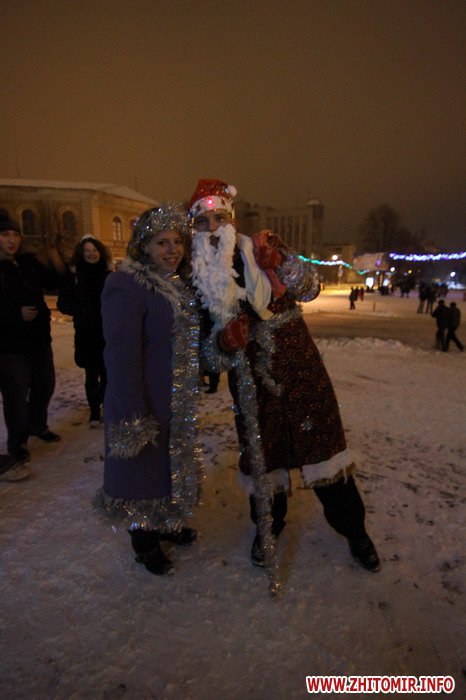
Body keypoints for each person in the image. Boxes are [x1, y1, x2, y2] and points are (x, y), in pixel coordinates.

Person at [189, 179, 380, 589]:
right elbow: (206, 358)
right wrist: (223, 342)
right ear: (195, 229)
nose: (213, 227)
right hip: (253, 385)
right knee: (265, 464)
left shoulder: (263, 246)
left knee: (326, 456)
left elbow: (310, 288)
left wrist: (285, 264)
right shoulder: (198, 282)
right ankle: (268, 530)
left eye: (220, 217)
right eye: (203, 222)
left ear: (232, 219)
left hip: (301, 372)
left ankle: (355, 531)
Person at [98, 204, 202, 576]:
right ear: (144, 245)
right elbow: (121, 354)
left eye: (178, 241)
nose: (173, 250)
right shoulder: (126, 285)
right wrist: (132, 413)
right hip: (143, 398)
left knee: (169, 467)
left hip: (174, 398)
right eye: (162, 242)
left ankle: (167, 523)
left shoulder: (177, 285)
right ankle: (144, 542)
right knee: (140, 472)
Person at [0, 214, 65, 469]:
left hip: (39, 340)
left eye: (15, 235)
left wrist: (55, 258)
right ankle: (17, 443)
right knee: (17, 397)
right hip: (10, 347)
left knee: (45, 386)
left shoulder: (27, 261)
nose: (12, 240)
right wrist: (16, 314)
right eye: (5, 235)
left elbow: (55, 283)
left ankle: (38, 425)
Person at [57, 236, 112, 426]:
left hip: (107, 333)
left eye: (94, 250)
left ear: (100, 253)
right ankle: (94, 412)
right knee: (91, 375)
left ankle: (107, 406)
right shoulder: (75, 277)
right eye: (87, 251)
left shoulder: (109, 276)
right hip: (86, 334)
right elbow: (62, 304)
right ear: (81, 253)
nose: (91, 254)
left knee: (108, 374)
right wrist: (80, 310)